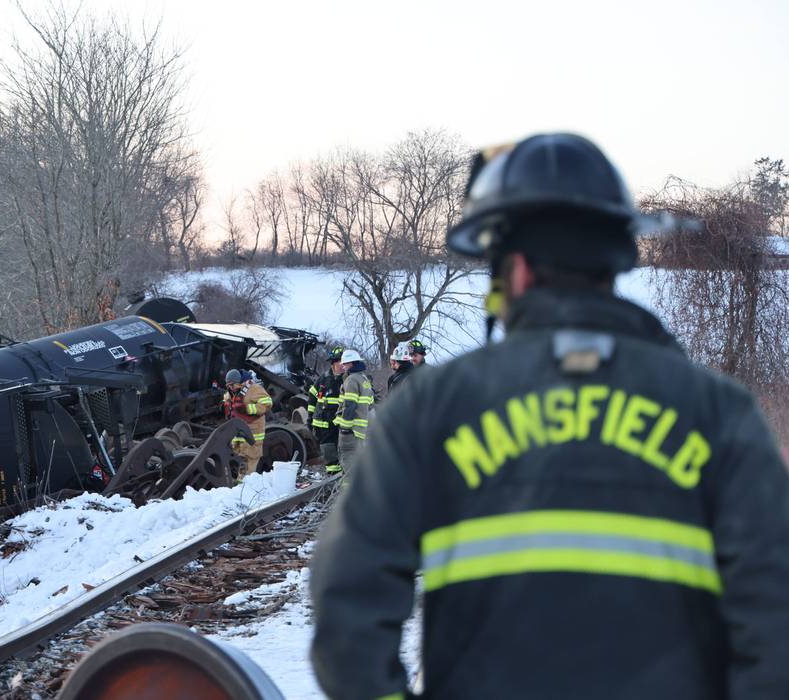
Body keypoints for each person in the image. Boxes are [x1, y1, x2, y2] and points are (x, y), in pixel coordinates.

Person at [310, 133, 789, 699]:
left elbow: (346, 611)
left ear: (513, 270)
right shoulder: (719, 412)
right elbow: (775, 615)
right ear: (615, 259)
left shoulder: (428, 409)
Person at [221, 368, 273, 478]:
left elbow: (267, 404)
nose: (230, 388)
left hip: (252, 435)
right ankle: (238, 486)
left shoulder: (254, 389)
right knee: (239, 461)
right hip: (237, 435)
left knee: (249, 462)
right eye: (228, 386)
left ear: (239, 382)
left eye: (232, 385)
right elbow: (228, 404)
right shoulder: (232, 392)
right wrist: (224, 406)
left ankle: (245, 487)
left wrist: (248, 408)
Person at [332, 349, 375, 472]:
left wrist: (345, 428)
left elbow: (350, 405)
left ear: (351, 364)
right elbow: (371, 405)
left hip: (351, 430)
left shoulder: (351, 380)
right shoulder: (364, 379)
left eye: (345, 363)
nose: (343, 366)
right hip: (362, 430)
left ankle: (348, 490)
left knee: (348, 462)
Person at [308, 347, 346, 474]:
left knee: (343, 449)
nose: (342, 365)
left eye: (344, 362)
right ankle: (333, 476)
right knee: (327, 450)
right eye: (339, 362)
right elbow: (313, 398)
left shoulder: (348, 379)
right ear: (333, 363)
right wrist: (310, 417)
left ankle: (344, 475)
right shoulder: (323, 379)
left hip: (341, 422)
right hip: (323, 423)